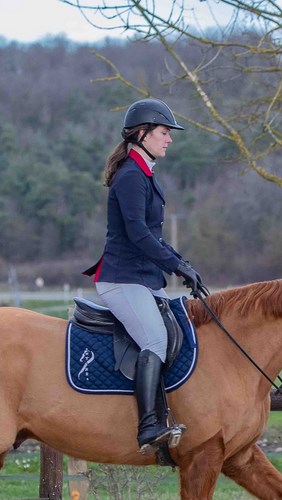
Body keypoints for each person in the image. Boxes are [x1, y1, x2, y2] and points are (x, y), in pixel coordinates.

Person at [83, 98, 207, 455]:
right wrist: (176, 266)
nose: (169, 139)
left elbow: (153, 236)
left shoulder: (145, 174)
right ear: (142, 134)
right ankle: (148, 426)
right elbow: (138, 234)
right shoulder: (131, 177)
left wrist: (182, 264)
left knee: (178, 330)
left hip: (143, 279)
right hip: (121, 279)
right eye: (164, 133)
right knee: (154, 341)